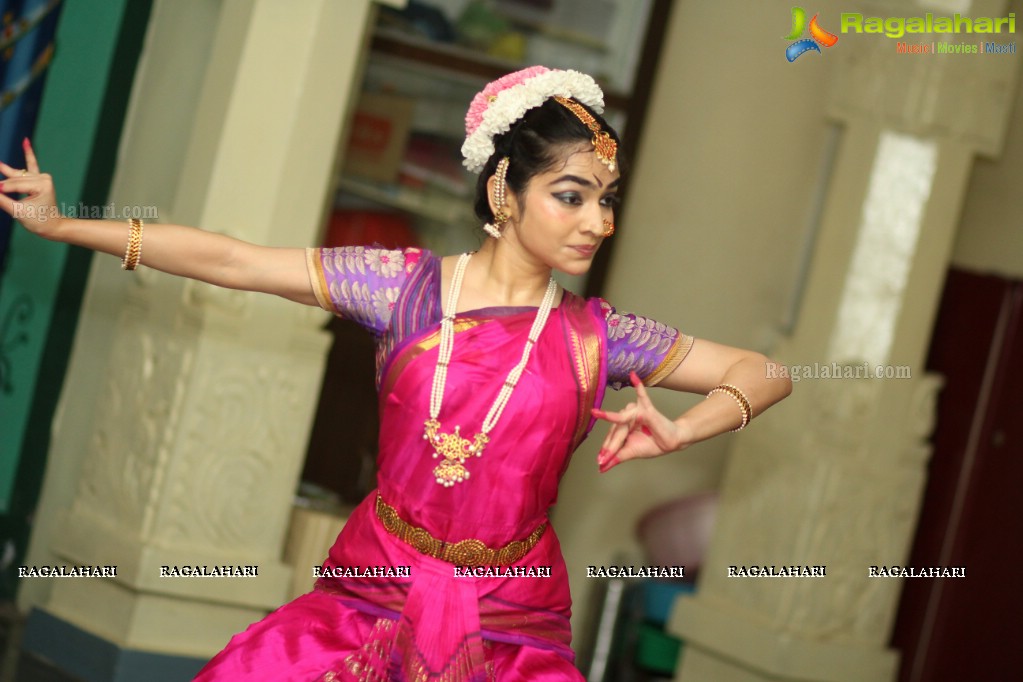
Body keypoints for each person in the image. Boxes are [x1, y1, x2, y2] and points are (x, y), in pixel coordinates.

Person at [1, 66, 791, 680]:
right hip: (370, 593)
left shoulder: (599, 338)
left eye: (606, 200)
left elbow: (764, 372)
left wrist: (685, 427)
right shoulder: (401, 289)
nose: (597, 221)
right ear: (502, 191)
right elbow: (234, 259)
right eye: (571, 195)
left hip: (510, 623)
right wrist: (65, 224)